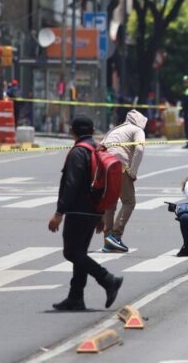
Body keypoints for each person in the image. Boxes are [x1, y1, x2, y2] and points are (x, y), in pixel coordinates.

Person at [47, 115, 123, 311]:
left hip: (79, 210)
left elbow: (71, 185)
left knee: (71, 252)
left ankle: (107, 279)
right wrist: (101, 214)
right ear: (91, 129)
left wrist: (59, 213)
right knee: (79, 253)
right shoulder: (97, 149)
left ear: (73, 131)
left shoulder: (78, 152)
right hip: (94, 209)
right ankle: (76, 297)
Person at [101, 109, 147, 253]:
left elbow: (100, 148)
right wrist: (132, 173)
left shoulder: (114, 130)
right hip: (119, 166)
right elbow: (139, 150)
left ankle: (108, 239)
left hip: (104, 166)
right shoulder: (138, 130)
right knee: (129, 201)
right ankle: (115, 235)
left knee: (110, 203)